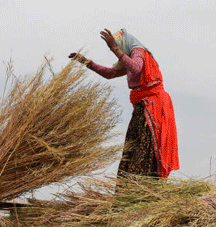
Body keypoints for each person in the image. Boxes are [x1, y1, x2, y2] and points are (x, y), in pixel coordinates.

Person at [69, 28, 179, 178]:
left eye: (119, 46)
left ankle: (144, 187)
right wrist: (86, 62)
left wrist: (114, 49)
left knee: (146, 148)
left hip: (153, 108)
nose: (119, 50)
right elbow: (110, 73)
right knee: (133, 149)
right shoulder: (129, 56)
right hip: (143, 107)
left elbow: (136, 67)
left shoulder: (138, 52)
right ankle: (131, 188)